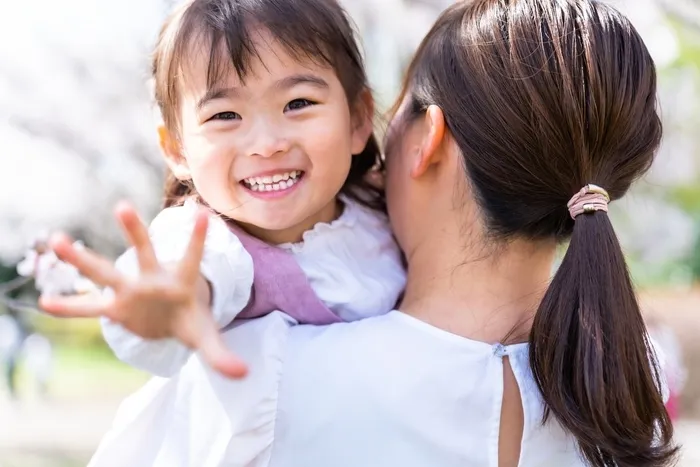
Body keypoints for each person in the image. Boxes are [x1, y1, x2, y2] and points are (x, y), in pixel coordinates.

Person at [48, 0, 679, 466]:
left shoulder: (267, 380)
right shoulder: (628, 381)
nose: (268, 143)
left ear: (426, 139)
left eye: (396, 108)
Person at [39, 0, 405, 378]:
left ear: (358, 119)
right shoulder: (206, 239)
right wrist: (168, 306)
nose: (266, 143)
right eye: (225, 115)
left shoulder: (389, 209)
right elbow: (187, 276)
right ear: (176, 148)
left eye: (298, 103)